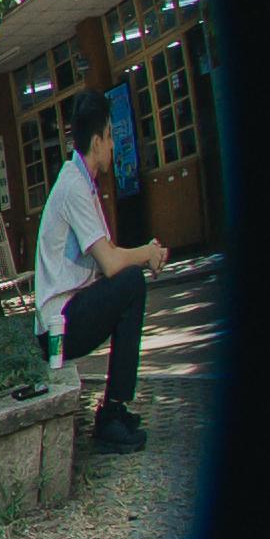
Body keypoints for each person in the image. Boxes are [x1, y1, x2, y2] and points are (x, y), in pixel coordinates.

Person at [32, 83, 165, 449]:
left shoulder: (82, 183)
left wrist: (143, 254)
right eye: (109, 137)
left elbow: (109, 258)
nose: (112, 146)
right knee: (131, 283)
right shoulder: (74, 186)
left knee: (129, 282)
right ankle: (111, 417)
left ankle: (115, 410)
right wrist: (146, 253)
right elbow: (110, 262)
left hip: (67, 315)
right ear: (96, 141)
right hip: (58, 327)